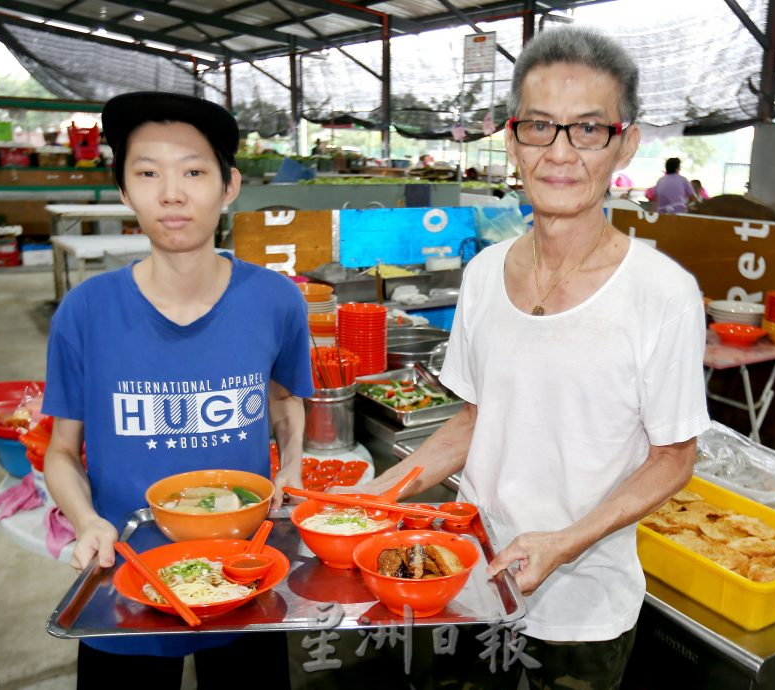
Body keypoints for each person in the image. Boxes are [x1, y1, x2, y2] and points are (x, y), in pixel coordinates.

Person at [349, 26, 709, 689]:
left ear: (625, 142)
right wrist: (379, 493)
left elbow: (672, 459)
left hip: (582, 611)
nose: (561, 153)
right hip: (467, 581)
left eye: (588, 129)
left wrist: (563, 543)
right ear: (512, 140)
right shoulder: (484, 274)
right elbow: (475, 418)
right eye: (540, 126)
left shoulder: (663, 294)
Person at [42, 92, 313, 688]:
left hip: (246, 576)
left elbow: (286, 400)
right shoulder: (85, 311)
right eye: (147, 173)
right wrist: (86, 519)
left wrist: (291, 462)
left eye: (193, 171)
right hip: (127, 578)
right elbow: (61, 452)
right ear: (123, 191)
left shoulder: (275, 300)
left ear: (229, 185)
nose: (171, 193)